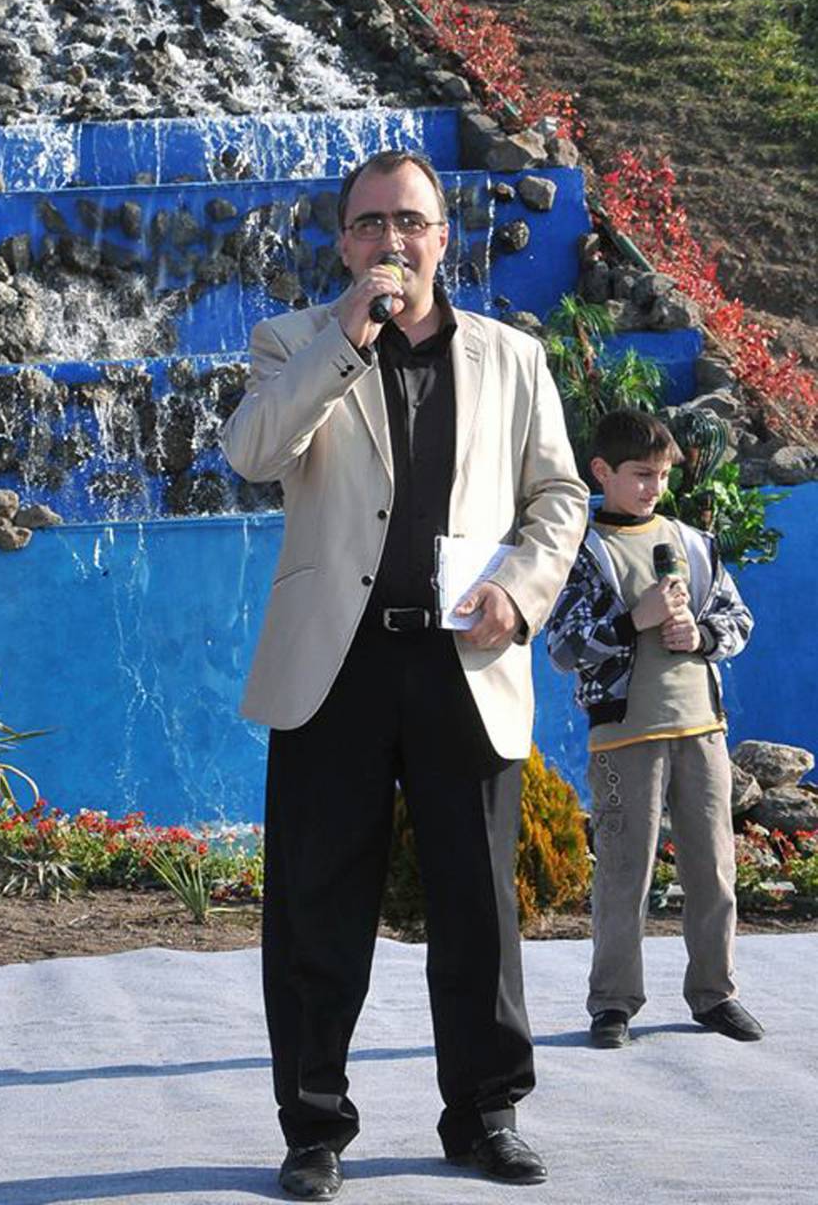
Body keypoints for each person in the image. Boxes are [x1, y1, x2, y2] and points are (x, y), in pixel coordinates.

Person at [221, 150, 588, 1199]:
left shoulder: (513, 357)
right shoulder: (291, 340)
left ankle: (486, 1114)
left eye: (410, 221)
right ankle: (313, 1128)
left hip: (464, 659)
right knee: (314, 906)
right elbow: (251, 452)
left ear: (442, 236)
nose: (392, 240)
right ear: (345, 243)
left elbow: (560, 497)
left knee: (478, 907)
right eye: (371, 222)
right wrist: (345, 337)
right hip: (334, 666)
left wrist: (519, 589)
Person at [545, 408, 762, 1050]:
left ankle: (715, 994)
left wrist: (703, 634)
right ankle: (613, 1003)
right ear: (602, 472)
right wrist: (630, 621)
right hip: (624, 738)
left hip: (702, 729)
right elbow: (562, 647)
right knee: (623, 873)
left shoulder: (692, 544)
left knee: (714, 869)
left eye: (663, 476)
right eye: (641, 474)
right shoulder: (583, 552)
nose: (654, 488)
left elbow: (738, 620)